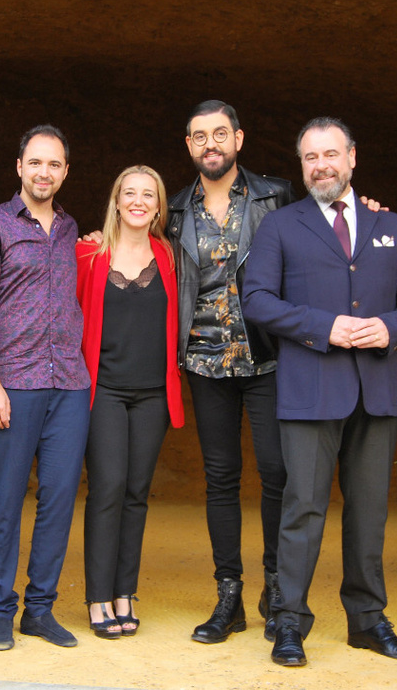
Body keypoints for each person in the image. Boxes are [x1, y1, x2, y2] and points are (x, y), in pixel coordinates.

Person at [241, 117, 397, 667]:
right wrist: (323, 326)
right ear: (301, 166)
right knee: (302, 509)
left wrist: (391, 328)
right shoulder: (281, 226)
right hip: (309, 388)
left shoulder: (389, 223)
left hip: (377, 388)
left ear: (352, 157)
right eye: (309, 158)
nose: (321, 165)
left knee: (369, 512)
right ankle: (290, 623)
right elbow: (256, 299)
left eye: (330, 154)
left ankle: (368, 621)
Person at [167, 100, 293, 643]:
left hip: (268, 356)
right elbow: (135, 247)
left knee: (277, 473)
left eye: (220, 134)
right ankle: (229, 596)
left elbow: (317, 243)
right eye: (199, 136)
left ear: (239, 139)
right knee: (220, 479)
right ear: (189, 146)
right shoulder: (173, 210)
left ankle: (277, 588)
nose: (210, 144)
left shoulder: (277, 195)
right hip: (203, 359)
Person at [0, 125, 91, 651]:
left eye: (54, 164)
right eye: (35, 162)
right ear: (18, 166)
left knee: (59, 499)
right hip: (12, 383)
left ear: (65, 171)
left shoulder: (69, 227)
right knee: (6, 502)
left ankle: (40, 609)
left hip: (69, 385)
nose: (44, 172)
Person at [75, 166, 184, 639]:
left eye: (149, 195)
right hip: (105, 391)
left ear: (160, 206)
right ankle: (98, 595)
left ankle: (124, 592)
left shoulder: (173, 257)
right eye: (130, 193)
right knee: (108, 489)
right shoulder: (88, 253)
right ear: (116, 201)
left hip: (154, 395)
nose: (139, 201)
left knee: (137, 493)